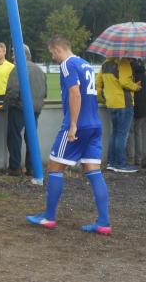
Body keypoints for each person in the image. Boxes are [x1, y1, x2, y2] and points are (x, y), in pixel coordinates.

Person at [27, 36, 111, 235]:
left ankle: (48, 216)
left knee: (54, 167)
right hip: (94, 125)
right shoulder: (86, 64)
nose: (53, 57)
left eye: (52, 53)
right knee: (93, 171)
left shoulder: (67, 64)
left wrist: (72, 125)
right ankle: (104, 222)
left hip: (77, 126)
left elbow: (75, 93)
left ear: (57, 49)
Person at [4, 44, 47, 177]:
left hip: (19, 108)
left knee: (14, 137)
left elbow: (12, 91)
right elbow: (45, 92)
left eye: (14, 54)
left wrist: (7, 104)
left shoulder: (18, 69)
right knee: (31, 138)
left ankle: (15, 167)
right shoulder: (39, 70)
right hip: (36, 108)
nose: (12, 57)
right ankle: (31, 167)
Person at [95, 57, 140, 173]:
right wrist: (136, 86)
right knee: (121, 135)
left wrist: (102, 99)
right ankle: (120, 164)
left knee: (114, 134)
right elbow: (125, 82)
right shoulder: (123, 63)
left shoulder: (105, 63)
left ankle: (111, 162)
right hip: (124, 103)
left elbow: (98, 84)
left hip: (111, 104)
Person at [126, 59, 146, 167]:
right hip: (143, 107)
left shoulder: (131, 75)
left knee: (130, 133)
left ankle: (131, 159)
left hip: (133, 106)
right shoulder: (144, 74)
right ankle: (139, 159)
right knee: (138, 132)